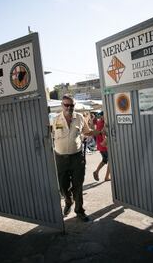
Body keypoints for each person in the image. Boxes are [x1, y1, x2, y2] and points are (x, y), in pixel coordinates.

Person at [52, 94, 96, 222]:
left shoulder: (80, 118)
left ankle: (79, 210)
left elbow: (86, 132)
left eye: (72, 105)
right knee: (62, 186)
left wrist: (99, 131)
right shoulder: (55, 119)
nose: (69, 107)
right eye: (67, 105)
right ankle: (68, 200)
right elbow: (49, 134)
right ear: (62, 105)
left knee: (78, 185)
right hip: (60, 158)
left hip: (77, 157)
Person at [93, 111, 111, 182]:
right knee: (110, 161)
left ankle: (97, 171)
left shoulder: (99, 122)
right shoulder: (102, 123)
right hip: (103, 145)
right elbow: (104, 134)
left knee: (105, 160)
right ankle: (106, 177)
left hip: (100, 144)